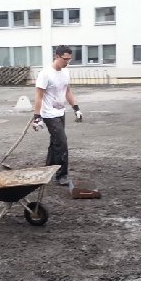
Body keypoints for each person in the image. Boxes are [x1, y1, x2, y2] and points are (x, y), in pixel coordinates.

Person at [32, 45, 83, 186]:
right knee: (62, 142)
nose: (67, 62)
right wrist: (37, 117)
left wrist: (76, 108)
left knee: (55, 142)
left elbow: (67, 92)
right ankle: (62, 175)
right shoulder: (45, 74)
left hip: (60, 112)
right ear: (57, 56)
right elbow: (38, 96)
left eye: (69, 59)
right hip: (48, 114)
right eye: (65, 59)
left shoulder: (66, 72)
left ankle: (47, 170)